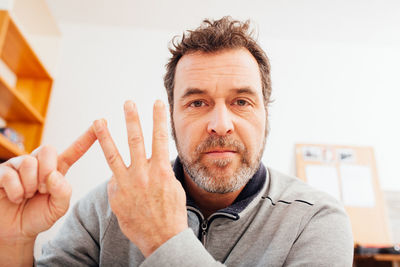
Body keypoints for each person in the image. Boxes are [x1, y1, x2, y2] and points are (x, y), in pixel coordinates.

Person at [0, 17, 353, 266]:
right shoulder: (107, 207)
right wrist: (13, 244)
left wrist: (164, 239)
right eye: (197, 103)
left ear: (266, 114)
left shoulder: (316, 221)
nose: (220, 124)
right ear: (172, 118)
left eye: (241, 102)